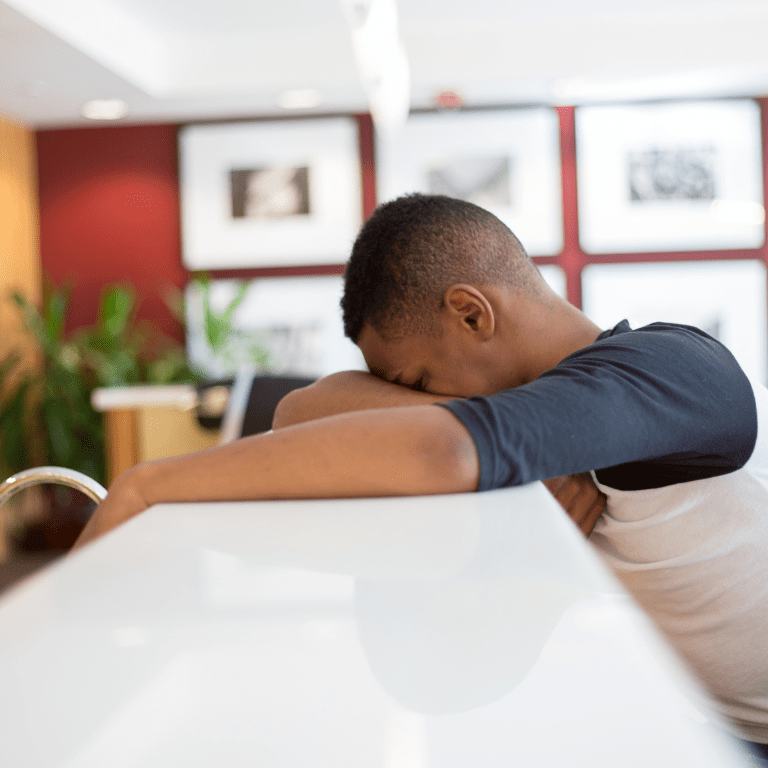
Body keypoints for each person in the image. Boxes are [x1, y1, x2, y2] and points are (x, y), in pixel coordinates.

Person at [74, 194, 768, 754]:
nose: (418, 403)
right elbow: (302, 410)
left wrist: (149, 485)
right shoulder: (559, 418)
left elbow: (443, 452)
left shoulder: (675, 372)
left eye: (417, 382)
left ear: (471, 312)